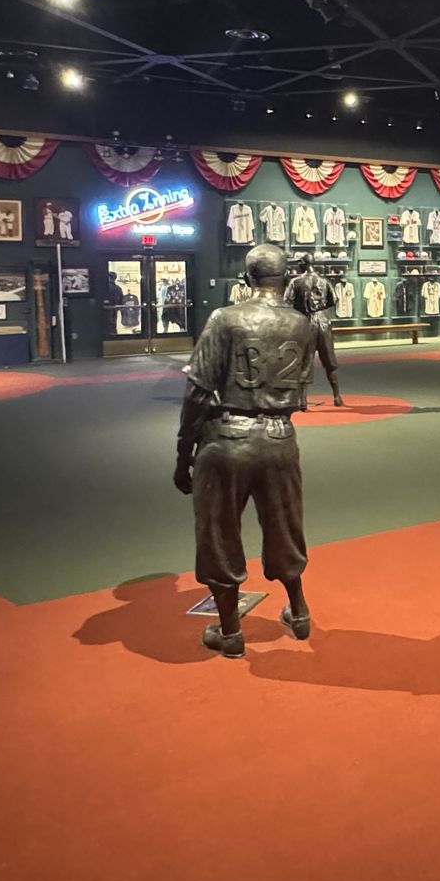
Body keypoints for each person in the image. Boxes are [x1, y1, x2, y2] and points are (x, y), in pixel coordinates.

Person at [173, 244, 317, 660]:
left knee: (219, 532)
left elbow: (197, 391)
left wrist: (184, 453)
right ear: (285, 278)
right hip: (280, 437)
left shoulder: (225, 318)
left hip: (227, 438)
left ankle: (231, 631)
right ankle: (300, 610)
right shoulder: (303, 325)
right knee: (286, 525)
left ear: (247, 278)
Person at [286, 254, 344, 407]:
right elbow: (334, 300)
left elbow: (287, 301)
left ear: (303, 264)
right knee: (329, 360)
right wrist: (320, 308)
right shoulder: (324, 281)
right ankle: (337, 396)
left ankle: (302, 400)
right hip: (323, 321)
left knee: (305, 360)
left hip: (305, 321)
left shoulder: (296, 281)